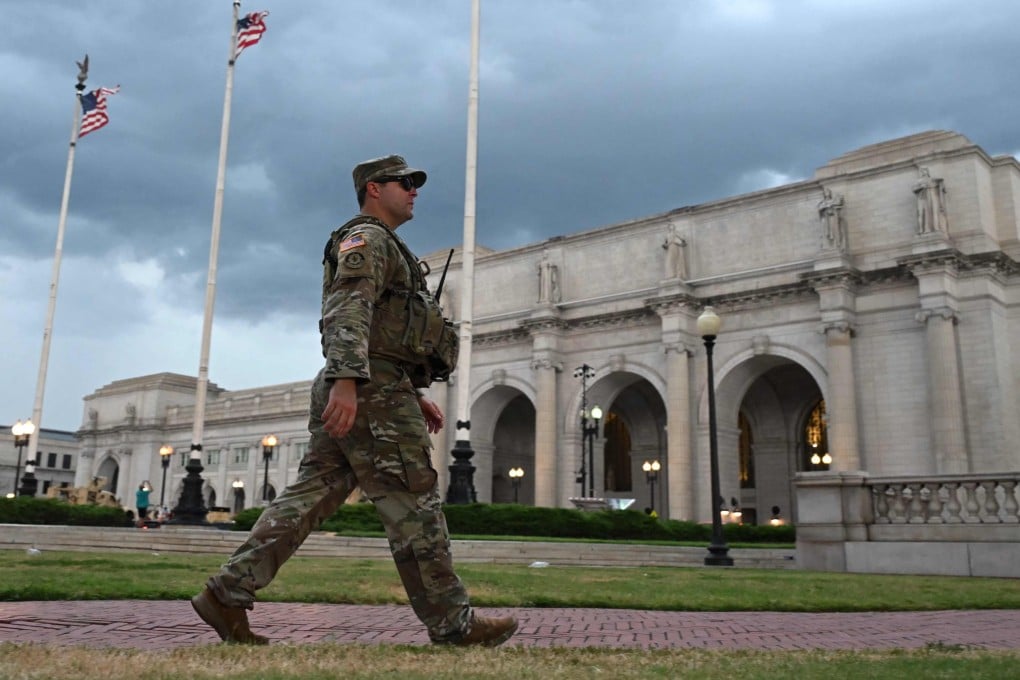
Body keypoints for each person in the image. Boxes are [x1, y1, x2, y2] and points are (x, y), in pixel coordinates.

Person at [191, 154, 518, 648]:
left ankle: (227, 592)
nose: (414, 191)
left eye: (416, 184)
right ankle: (454, 624)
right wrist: (350, 381)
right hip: (368, 390)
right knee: (415, 503)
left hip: (376, 385)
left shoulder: (388, 244)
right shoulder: (367, 239)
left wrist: (408, 389)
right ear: (373, 188)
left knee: (308, 499)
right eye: (405, 182)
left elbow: (387, 330)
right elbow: (348, 307)